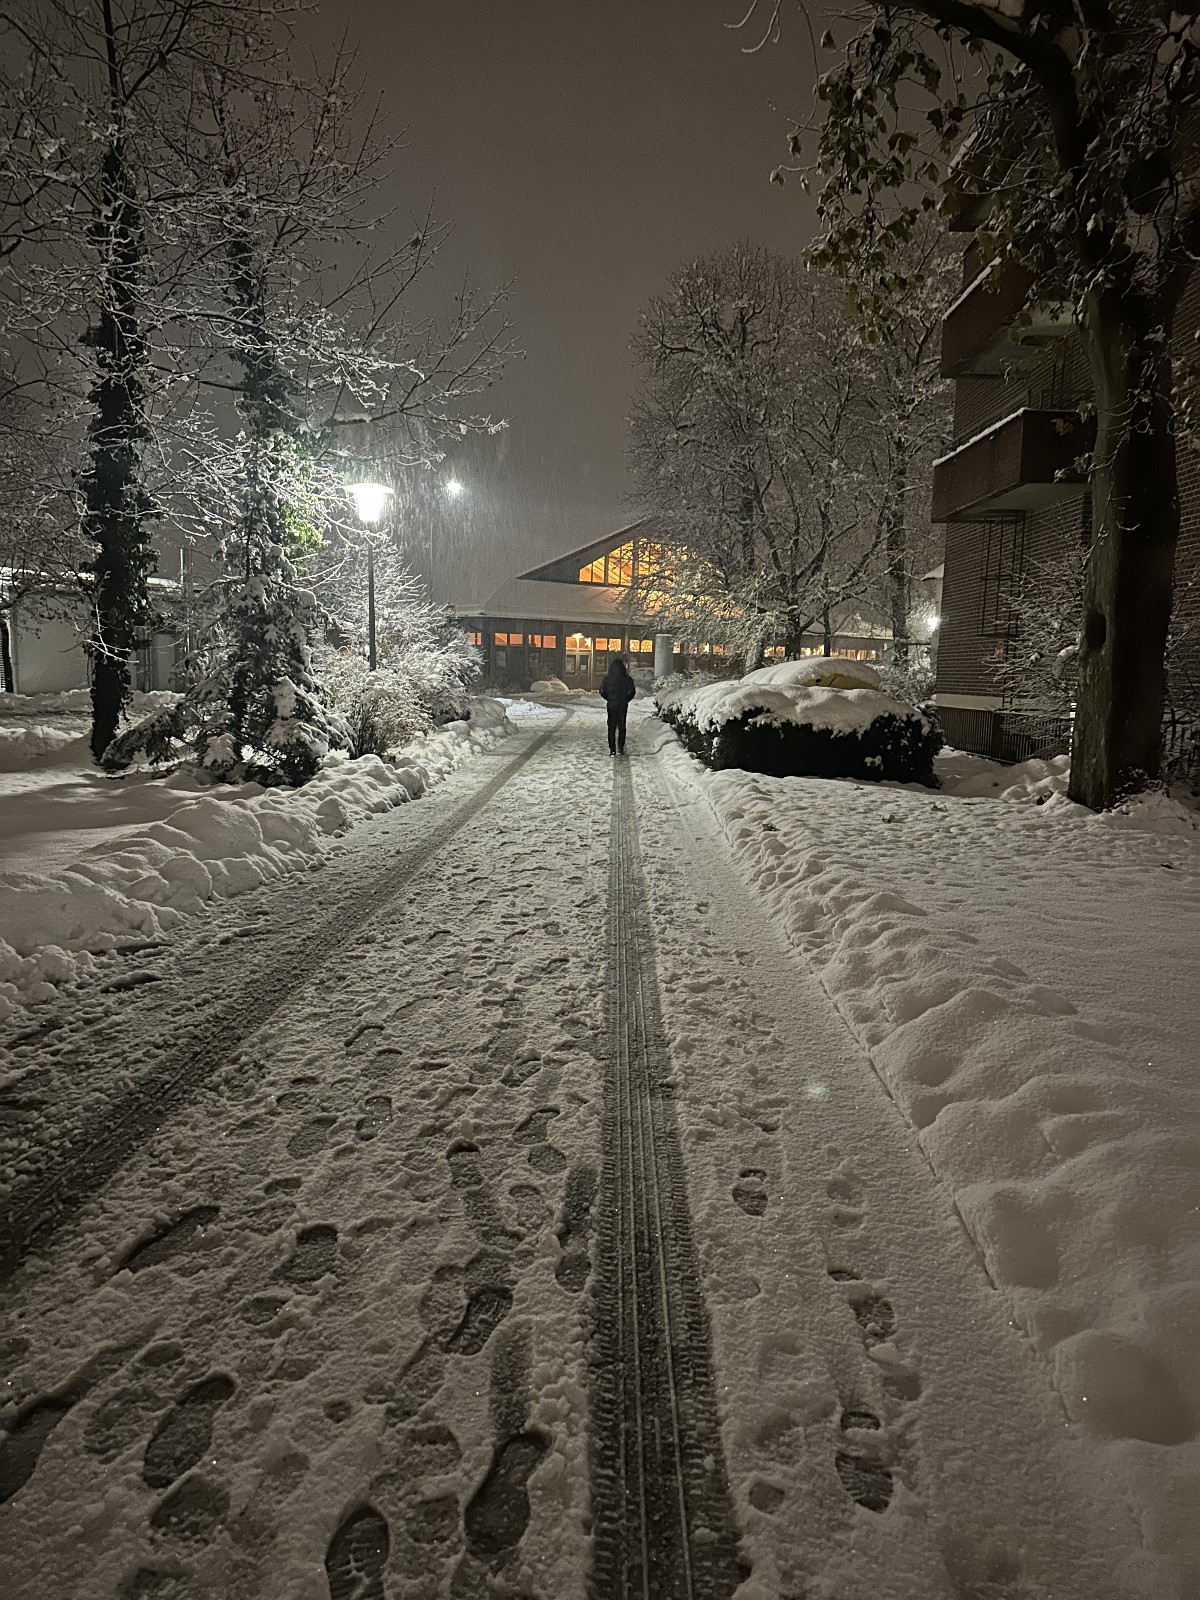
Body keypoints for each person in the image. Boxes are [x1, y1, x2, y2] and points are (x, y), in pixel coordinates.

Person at [599, 656, 636, 755]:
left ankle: (612, 749)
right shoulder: (627, 679)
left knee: (611, 727)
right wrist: (625, 699)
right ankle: (620, 747)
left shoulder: (607, 679)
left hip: (611, 705)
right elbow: (632, 691)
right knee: (622, 726)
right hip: (622, 705)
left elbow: (602, 691)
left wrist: (609, 698)